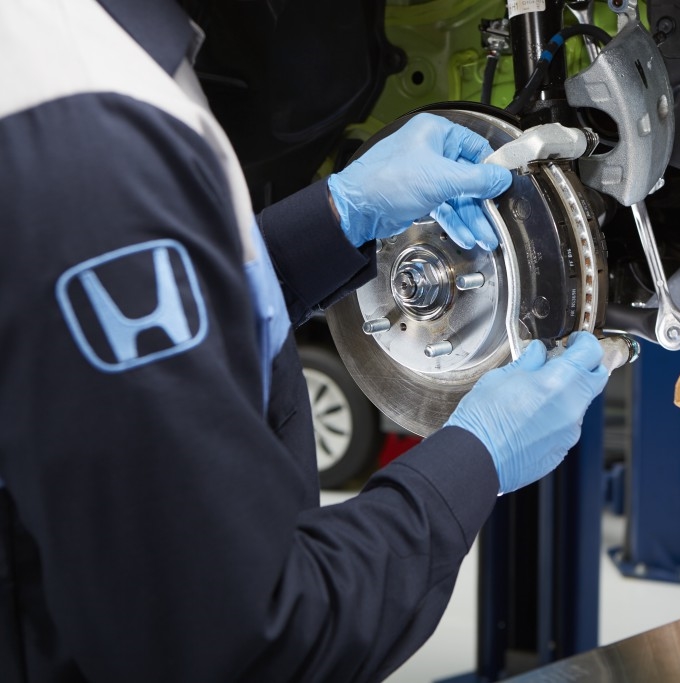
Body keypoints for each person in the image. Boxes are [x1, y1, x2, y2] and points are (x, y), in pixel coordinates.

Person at [0, 1, 609, 682]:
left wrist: (333, 219)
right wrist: (475, 458)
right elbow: (240, 643)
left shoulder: (78, 58)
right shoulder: (86, 137)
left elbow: (116, 320)